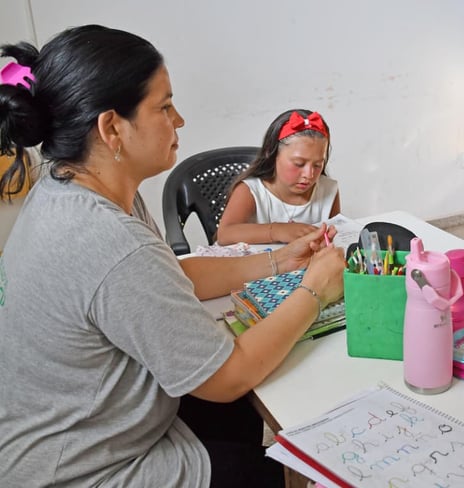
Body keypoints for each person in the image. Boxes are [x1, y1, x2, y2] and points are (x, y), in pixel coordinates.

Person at [0, 25, 345, 487]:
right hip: (74, 470)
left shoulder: (73, 187)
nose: (179, 120)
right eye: (164, 106)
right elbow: (228, 375)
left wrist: (281, 261)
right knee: (274, 462)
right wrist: (314, 291)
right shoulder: (109, 239)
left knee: (242, 413)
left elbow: (169, 276)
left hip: (66, 427)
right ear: (111, 128)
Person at [216, 108, 341, 245]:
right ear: (271, 153)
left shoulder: (328, 189)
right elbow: (224, 235)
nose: (309, 175)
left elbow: (335, 237)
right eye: (299, 164)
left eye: (317, 165)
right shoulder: (251, 191)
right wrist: (276, 230)